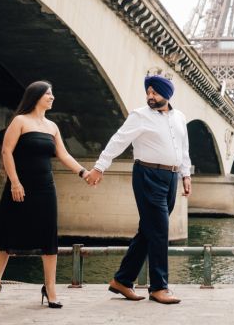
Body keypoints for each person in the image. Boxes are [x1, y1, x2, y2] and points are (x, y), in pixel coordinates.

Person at [85, 74, 192, 305]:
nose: (149, 96)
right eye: (148, 92)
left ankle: (122, 280)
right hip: (148, 175)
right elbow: (118, 140)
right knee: (160, 230)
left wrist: (186, 174)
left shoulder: (180, 117)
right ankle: (159, 287)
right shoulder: (139, 115)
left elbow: (183, 148)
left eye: (154, 92)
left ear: (167, 94)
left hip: (171, 176)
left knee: (149, 230)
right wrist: (99, 167)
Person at [0, 80, 90, 308]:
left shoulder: (52, 127)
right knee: (6, 236)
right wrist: (14, 182)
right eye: (49, 94)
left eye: (52, 94)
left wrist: (84, 172)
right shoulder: (20, 121)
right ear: (36, 96)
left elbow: (63, 154)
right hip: (19, 186)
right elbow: (6, 151)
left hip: (45, 188)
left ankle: (50, 289)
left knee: (48, 238)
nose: (52, 97)